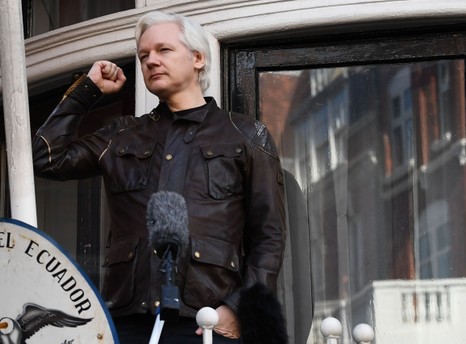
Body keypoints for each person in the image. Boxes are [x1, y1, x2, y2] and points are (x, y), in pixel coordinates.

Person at [32, 11, 286, 343]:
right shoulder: (122, 135)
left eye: (164, 50)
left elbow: (269, 235)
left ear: (197, 58)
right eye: (143, 55)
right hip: (128, 321)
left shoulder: (246, 135)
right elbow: (47, 158)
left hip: (207, 321)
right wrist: (87, 91)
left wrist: (238, 308)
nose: (151, 61)